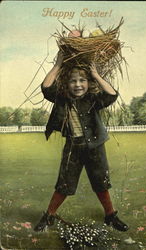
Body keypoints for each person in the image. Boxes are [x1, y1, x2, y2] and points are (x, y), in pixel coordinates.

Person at [34, 51, 129, 232]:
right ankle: (49, 215)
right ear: (66, 84)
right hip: (73, 148)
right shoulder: (62, 99)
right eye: (73, 81)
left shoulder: (92, 99)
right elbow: (46, 87)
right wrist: (58, 65)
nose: (78, 85)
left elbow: (112, 95)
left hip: (95, 147)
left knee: (101, 183)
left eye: (82, 81)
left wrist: (95, 74)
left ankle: (111, 215)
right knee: (64, 184)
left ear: (88, 83)